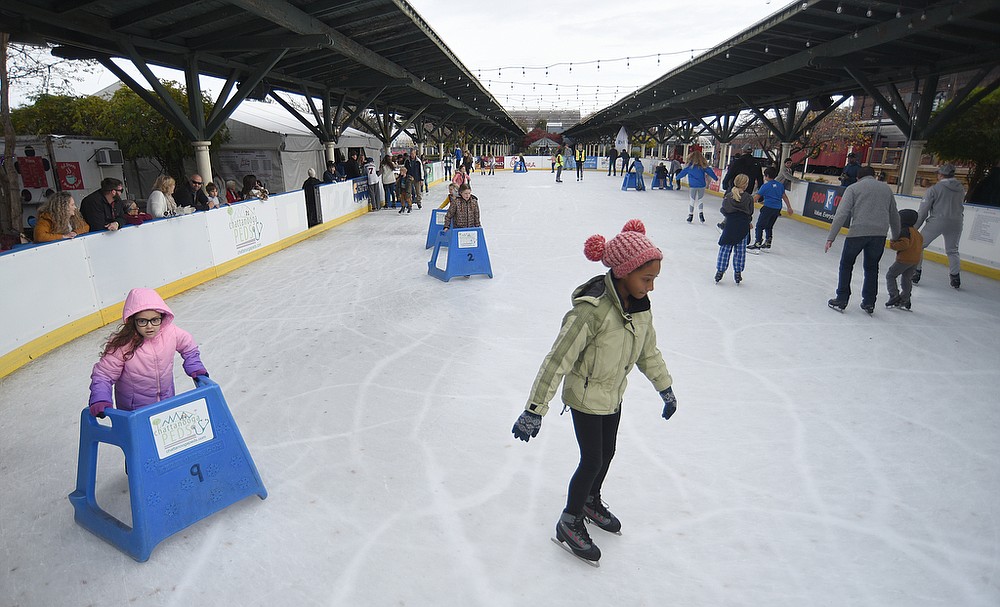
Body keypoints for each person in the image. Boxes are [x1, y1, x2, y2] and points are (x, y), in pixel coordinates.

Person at [511, 219, 677, 566]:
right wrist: (534, 409)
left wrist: (665, 387)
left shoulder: (640, 308)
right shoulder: (592, 310)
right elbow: (557, 359)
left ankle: (590, 500)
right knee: (592, 459)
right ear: (623, 272)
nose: (651, 287)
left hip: (613, 393)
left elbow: (648, 352)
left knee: (609, 451)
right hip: (585, 396)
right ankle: (570, 520)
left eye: (654, 280)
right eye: (646, 279)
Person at [87, 288, 208, 418]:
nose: (150, 326)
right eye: (143, 321)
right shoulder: (124, 344)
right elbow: (104, 374)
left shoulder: (171, 333)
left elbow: (189, 347)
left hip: (166, 400)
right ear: (133, 321)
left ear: (162, 317)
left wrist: (194, 365)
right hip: (134, 409)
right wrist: (100, 398)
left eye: (155, 320)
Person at [825, 166, 901, 313]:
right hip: (879, 234)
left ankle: (842, 299)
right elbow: (894, 215)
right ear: (874, 176)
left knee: (846, 265)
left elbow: (841, 214)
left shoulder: (853, 188)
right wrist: (896, 237)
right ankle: (869, 302)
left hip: (857, 233)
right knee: (872, 268)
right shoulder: (886, 190)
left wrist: (831, 237)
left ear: (858, 177)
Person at [913, 163, 966, 289]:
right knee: (952, 250)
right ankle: (955, 277)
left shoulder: (934, 189)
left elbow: (923, 211)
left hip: (937, 221)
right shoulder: (961, 188)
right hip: (956, 221)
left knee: (919, 245)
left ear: (941, 175)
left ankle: (916, 272)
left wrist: (914, 228)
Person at [715, 174, 754, 285]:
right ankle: (738, 273)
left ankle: (720, 271)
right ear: (745, 185)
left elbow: (724, 210)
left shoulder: (728, 196)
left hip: (730, 226)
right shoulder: (748, 198)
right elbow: (750, 212)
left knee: (725, 249)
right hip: (743, 227)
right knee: (740, 251)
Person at [748, 167, 795, 250]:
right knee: (769, 226)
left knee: (759, 226)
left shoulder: (765, 186)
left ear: (767, 176)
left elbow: (756, 197)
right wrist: (789, 207)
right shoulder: (780, 185)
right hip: (777, 208)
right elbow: (784, 196)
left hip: (768, 208)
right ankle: (768, 242)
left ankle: (758, 243)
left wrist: (747, 204)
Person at [885, 209, 923, 310]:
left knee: (891, 275)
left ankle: (894, 295)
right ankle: (905, 298)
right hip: (915, 260)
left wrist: (893, 244)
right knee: (907, 278)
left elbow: (904, 244)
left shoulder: (905, 231)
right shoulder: (917, 233)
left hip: (904, 259)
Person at [675, 150, 718, 222]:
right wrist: (715, 178)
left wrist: (677, 178)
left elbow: (682, 173)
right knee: (700, 200)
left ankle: (690, 215)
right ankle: (701, 214)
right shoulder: (703, 166)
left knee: (692, 200)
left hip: (693, 186)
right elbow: (710, 171)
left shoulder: (689, 167)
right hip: (701, 185)